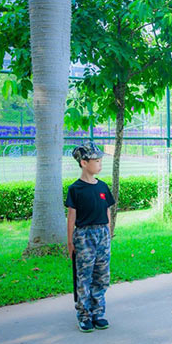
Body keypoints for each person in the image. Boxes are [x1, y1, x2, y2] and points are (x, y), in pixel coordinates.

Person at [65, 142, 115, 333]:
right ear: (84, 163)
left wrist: (108, 233)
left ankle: (98, 313)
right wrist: (70, 242)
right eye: (96, 160)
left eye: (100, 160)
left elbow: (107, 210)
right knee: (84, 276)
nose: (100, 164)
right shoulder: (75, 189)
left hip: (102, 234)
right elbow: (72, 217)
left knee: (101, 276)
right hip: (84, 236)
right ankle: (84, 315)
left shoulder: (102, 186)